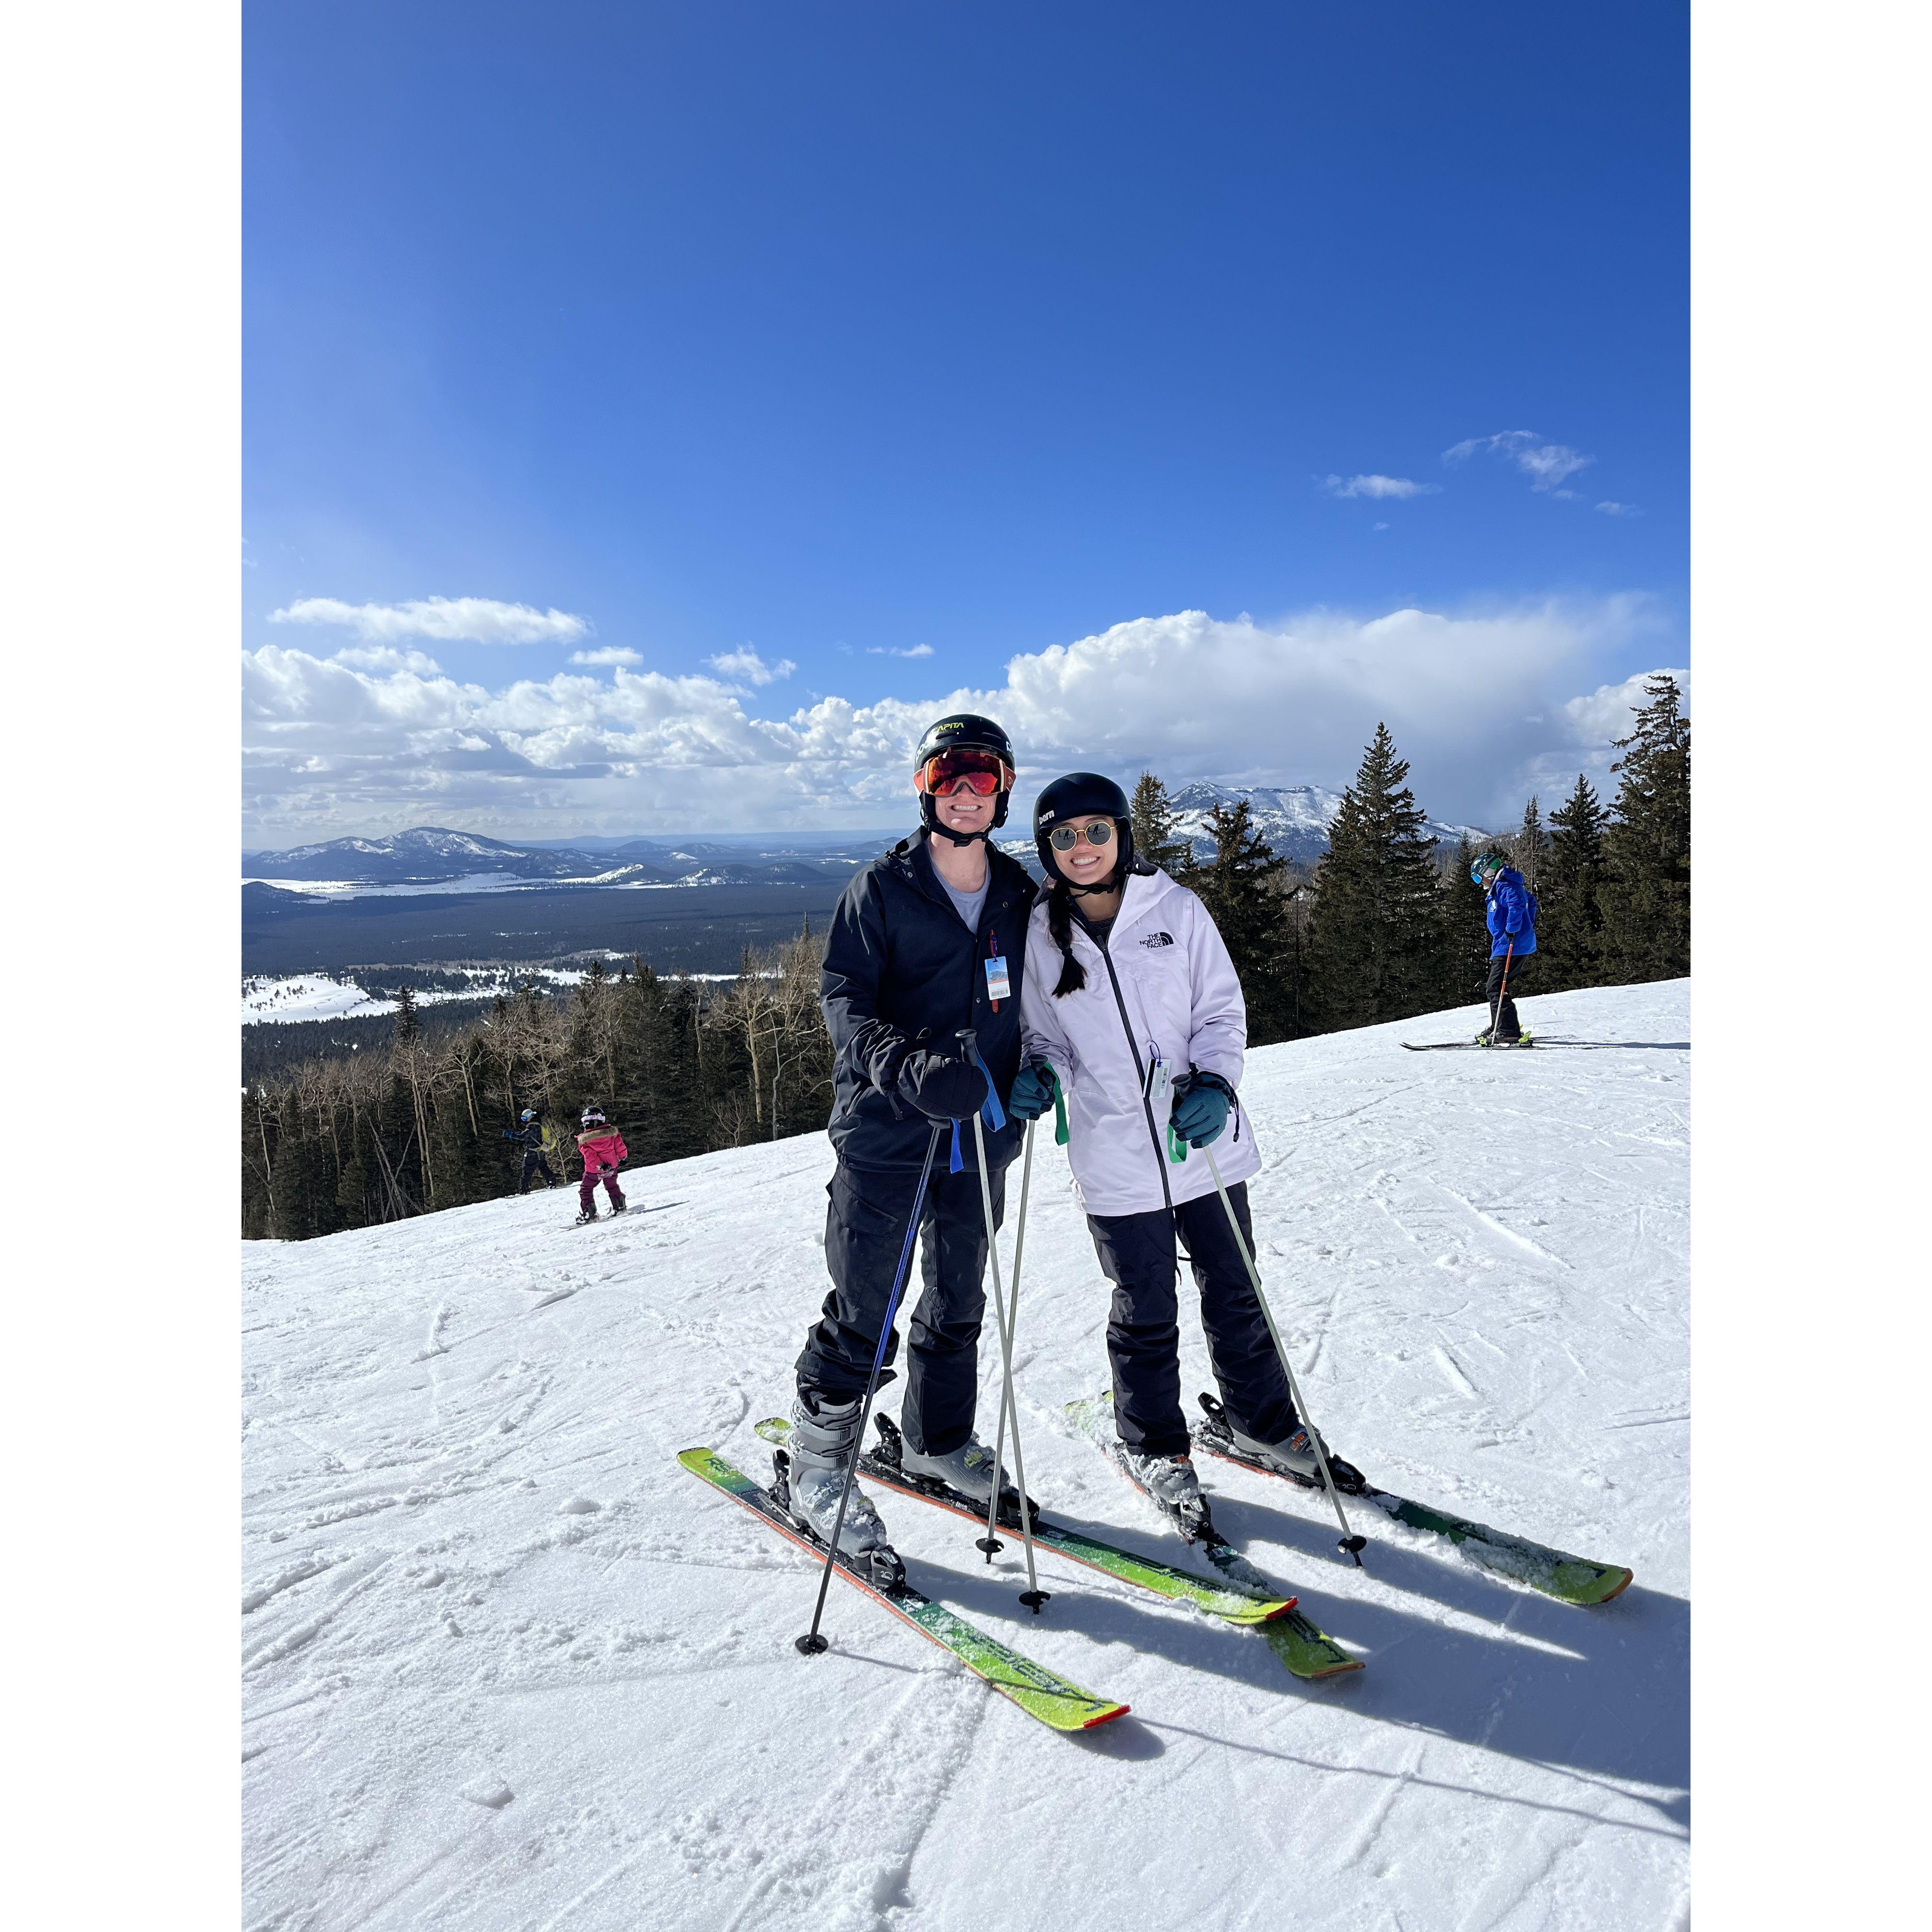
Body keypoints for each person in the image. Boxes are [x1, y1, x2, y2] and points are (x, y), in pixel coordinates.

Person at [1011, 771, 1360, 1538]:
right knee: (1145, 1307)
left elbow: (1220, 1010)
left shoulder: (1176, 909)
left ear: (1122, 835)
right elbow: (1047, 1037)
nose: (1081, 847)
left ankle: (1262, 1423)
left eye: (1096, 830)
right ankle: (1156, 1445)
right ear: (1046, 848)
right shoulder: (1039, 934)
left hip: (1201, 1141)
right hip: (1114, 1154)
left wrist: (1216, 1082)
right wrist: (1041, 1074)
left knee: (1235, 1287)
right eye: (1063, 836)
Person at [786, 713, 1036, 1569]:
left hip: (981, 1130)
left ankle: (936, 1438)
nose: (965, 791)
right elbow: (845, 1002)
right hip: (888, 1131)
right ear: (923, 787)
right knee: (867, 1299)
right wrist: (907, 1066)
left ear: (1004, 789)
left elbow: (1041, 996)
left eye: (982, 775)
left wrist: (1033, 1063)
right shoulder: (881, 889)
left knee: (959, 1290)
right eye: (947, 775)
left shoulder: (1016, 893)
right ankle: (820, 1466)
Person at [1472, 851, 1538, 1044]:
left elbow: (1518, 904)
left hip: (1511, 944)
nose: (1479, 883)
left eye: (1478, 877)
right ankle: (1500, 1026)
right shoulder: (1505, 885)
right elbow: (1531, 902)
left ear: (1489, 872)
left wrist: (1513, 929)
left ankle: (1508, 1031)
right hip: (1511, 943)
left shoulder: (1503, 885)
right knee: (1498, 987)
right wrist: (1527, 926)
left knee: (1495, 988)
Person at [574, 1104, 628, 1223]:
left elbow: (590, 1156)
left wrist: (600, 1165)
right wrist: (623, 1157)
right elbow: (620, 1147)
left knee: (586, 1189)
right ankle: (620, 1207)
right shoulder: (612, 1134)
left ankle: (590, 1214)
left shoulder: (585, 1140)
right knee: (612, 1186)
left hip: (594, 1171)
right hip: (612, 1168)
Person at [502, 1108, 559, 1193]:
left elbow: (523, 1136)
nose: (525, 1121)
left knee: (526, 1170)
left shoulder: (533, 1127)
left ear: (530, 1116)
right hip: (540, 1152)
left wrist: (510, 1135)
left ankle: (524, 1189)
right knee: (544, 1168)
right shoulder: (538, 1125)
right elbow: (525, 1134)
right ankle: (552, 1183)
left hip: (532, 1153)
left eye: (525, 1119)